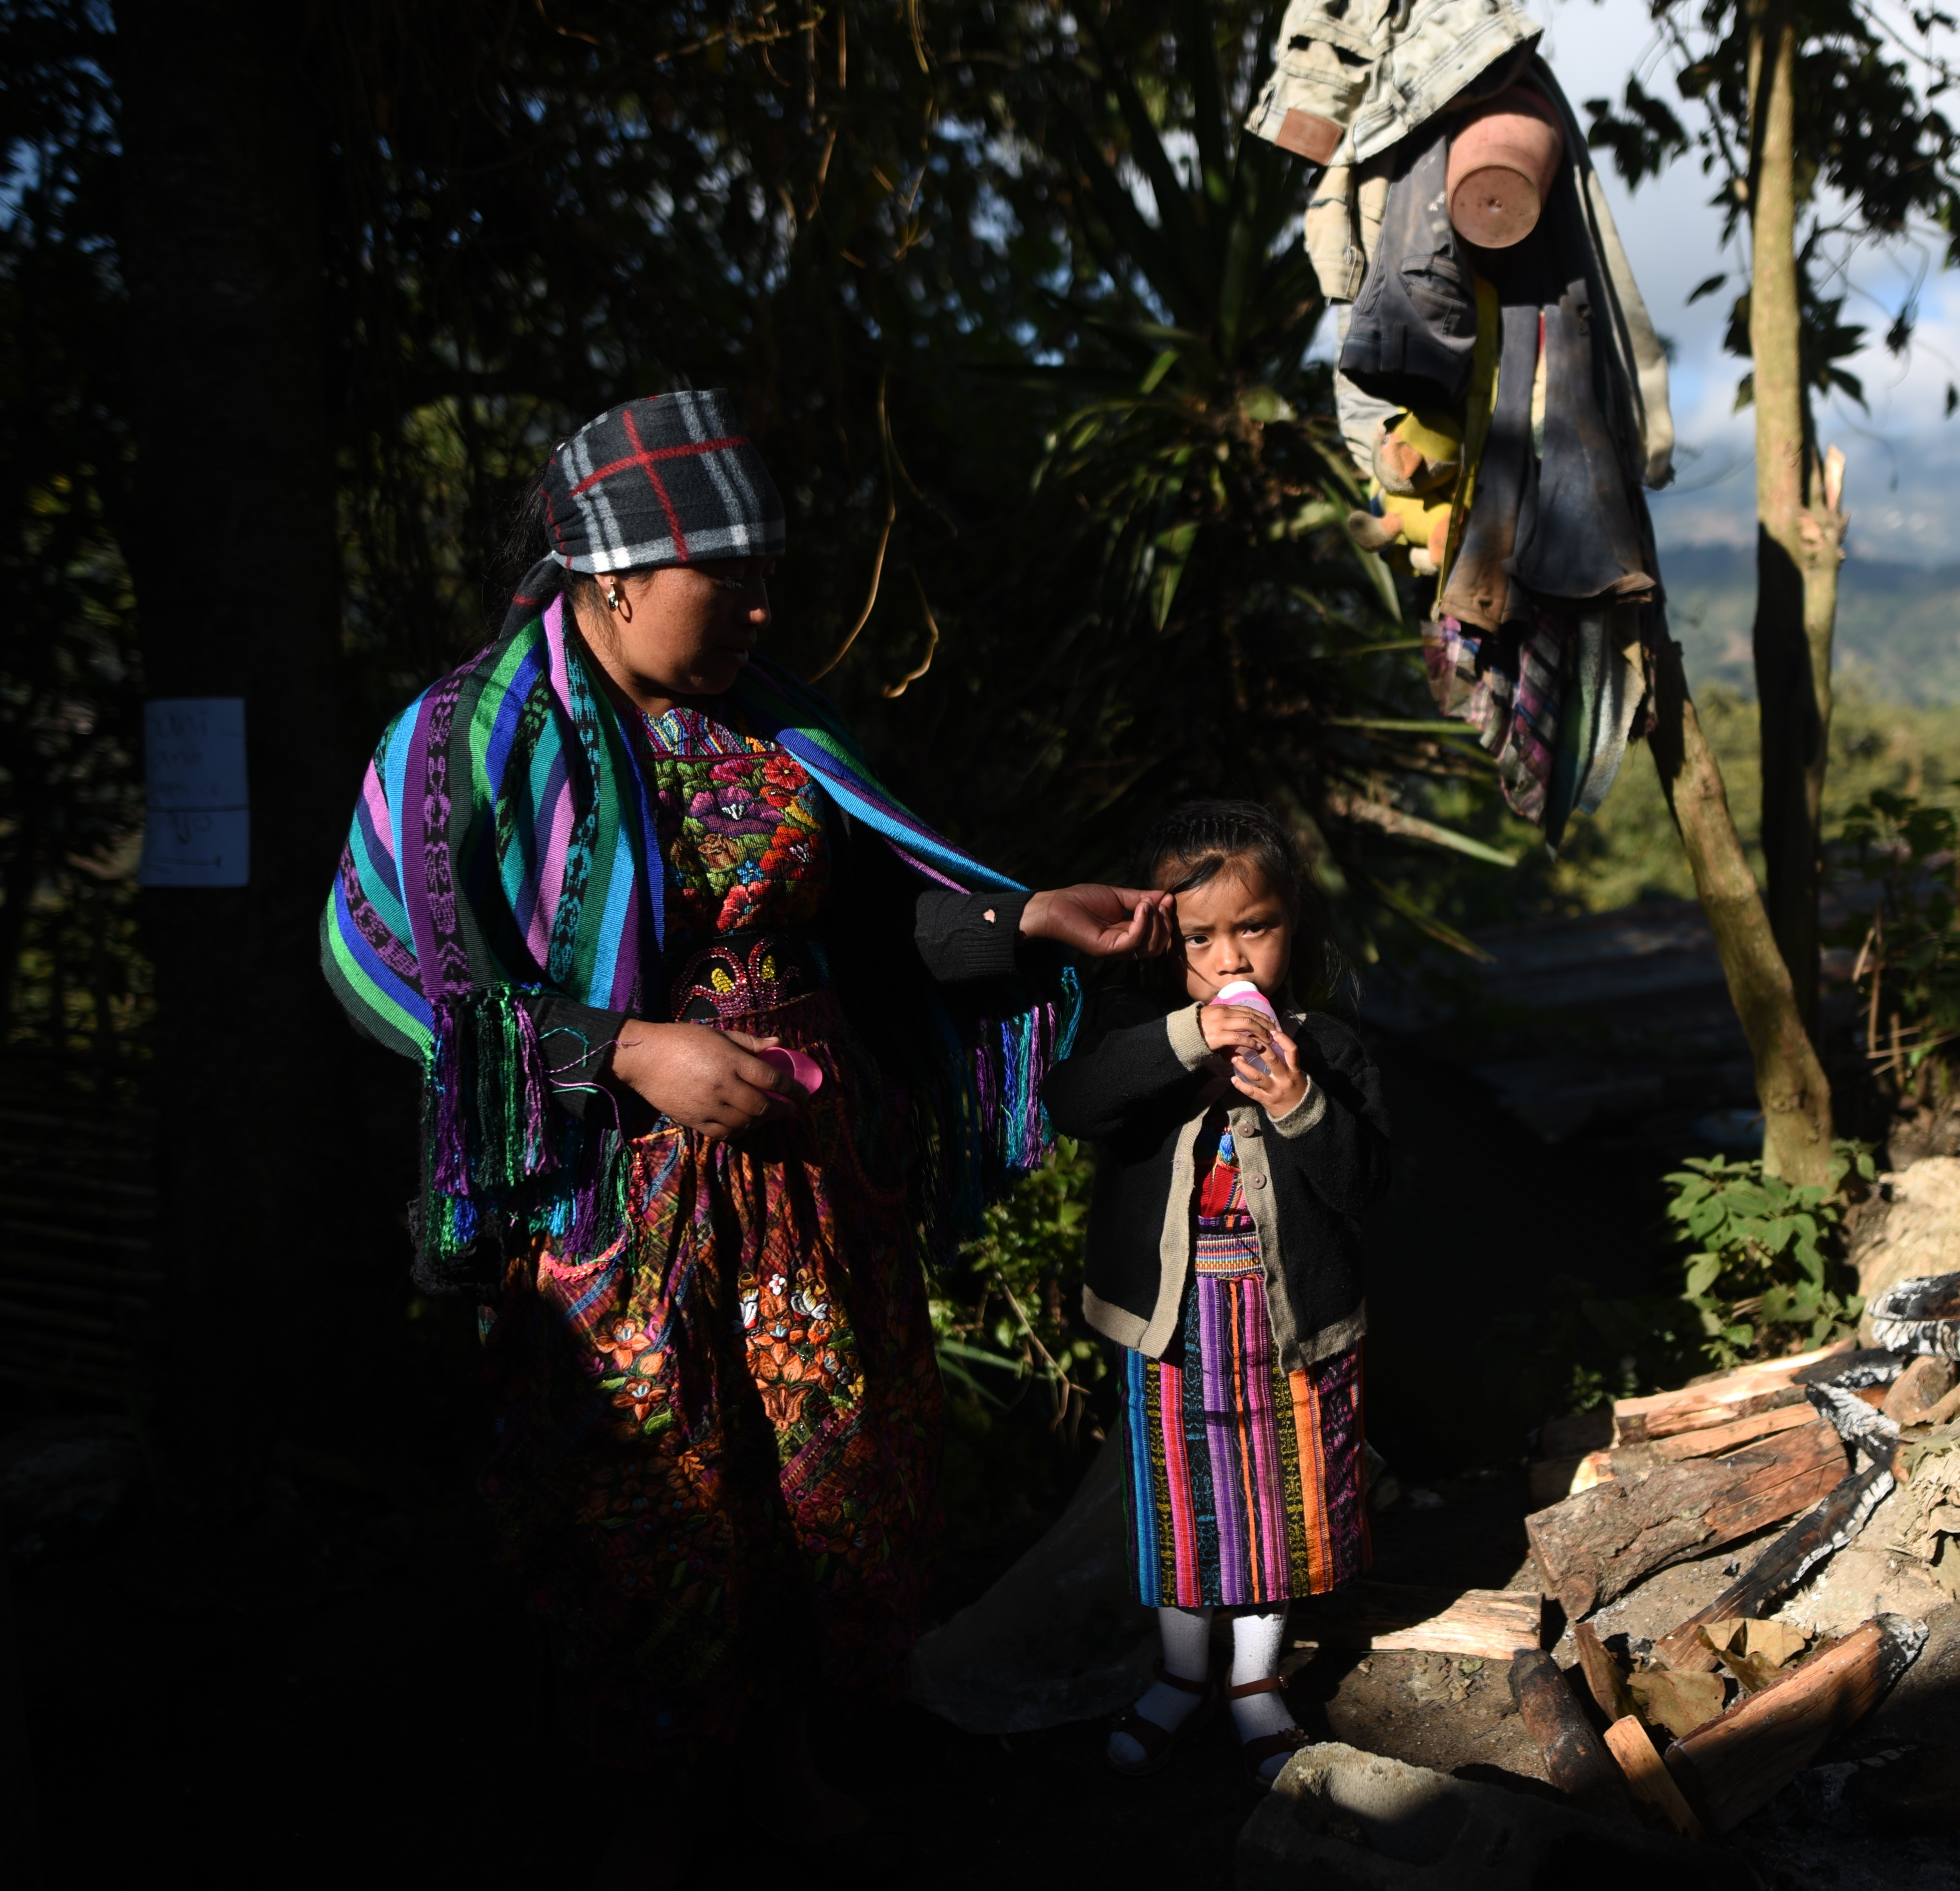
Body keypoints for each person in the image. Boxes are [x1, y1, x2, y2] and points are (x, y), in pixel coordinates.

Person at [320, 390, 1171, 1876]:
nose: (768, 600)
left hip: (808, 1199)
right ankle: (647, 1804)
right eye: (734, 570)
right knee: (643, 1506)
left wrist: (1019, 919)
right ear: (619, 578)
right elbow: (382, 968)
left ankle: (781, 1761)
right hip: (605, 1216)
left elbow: (859, 925)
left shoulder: (767, 717)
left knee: (823, 1482)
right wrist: (631, 1048)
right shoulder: (470, 741)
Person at [1044, 800, 1390, 1785]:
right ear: (1162, 942)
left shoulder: (1329, 1049)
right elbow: (1073, 1102)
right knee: (1181, 1503)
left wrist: (1296, 1101)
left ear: (1293, 925)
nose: (1231, 958)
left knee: (1280, 1504)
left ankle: (1252, 1683)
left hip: (1290, 1327)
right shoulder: (1138, 1043)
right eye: (1200, 937)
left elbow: (1365, 1187)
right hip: (1173, 1328)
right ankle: (1178, 1675)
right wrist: (1189, 1037)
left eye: (1256, 927)